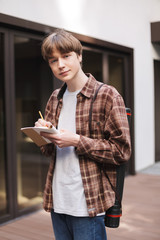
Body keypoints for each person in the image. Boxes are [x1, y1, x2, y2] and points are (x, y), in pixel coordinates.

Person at [35, 29, 131, 240]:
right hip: (58, 200)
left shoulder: (107, 95)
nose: (60, 64)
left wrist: (77, 141)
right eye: (53, 60)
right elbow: (48, 151)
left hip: (88, 203)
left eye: (66, 56)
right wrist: (43, 133)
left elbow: (121, 152)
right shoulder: (55, 98)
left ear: (79, 56)